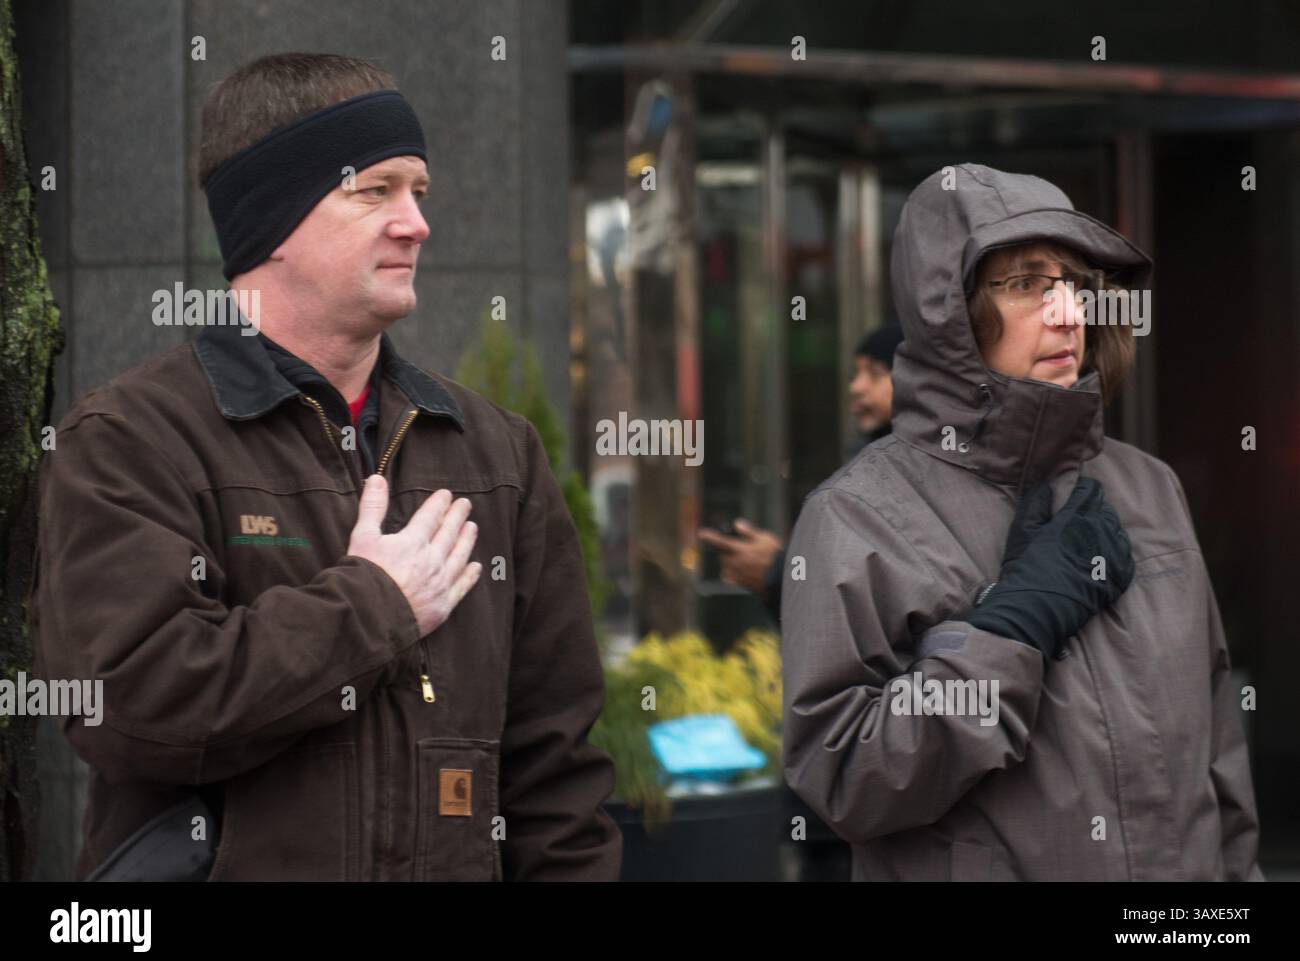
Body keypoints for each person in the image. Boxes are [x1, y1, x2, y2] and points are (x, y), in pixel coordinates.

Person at [32, 53, 621, 881]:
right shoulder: (132, 440)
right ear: (270, 213)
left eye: (419, 190)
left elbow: (554, 775)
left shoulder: (495, 453)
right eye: (374, 190)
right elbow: (129, 708)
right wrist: (375, 605)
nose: (415, 222)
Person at [781, 163, 1263, 881]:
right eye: (1027, 284)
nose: (1068, 312)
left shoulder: (1148, 488)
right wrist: (1011, 631)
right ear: (951, 310)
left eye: (1074, 284)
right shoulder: (855, 516)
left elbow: (1218, 755)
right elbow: (848, 780)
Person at [698, 322, 903, 618]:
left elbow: (873, 596)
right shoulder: (868, 461)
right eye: (856, 373)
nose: (856, 387)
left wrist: (776, 571)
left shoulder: (913, 469)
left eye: (875, 373)